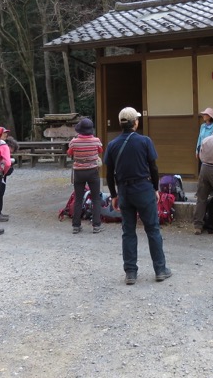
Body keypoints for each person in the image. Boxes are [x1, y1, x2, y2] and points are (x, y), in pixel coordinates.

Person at [104, 107, 172, 285]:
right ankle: (160, 269)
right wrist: (156, 188)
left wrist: (113, 195)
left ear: (120, 123)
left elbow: (109, 173)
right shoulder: (145, 141)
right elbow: (153, 168)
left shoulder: (112, 145)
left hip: (124, 191)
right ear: (135, 122)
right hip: (143, 188)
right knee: (152, 229)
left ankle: (131, 273)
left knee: (128, 232)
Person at [67, 117, 104, 234]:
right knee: (96, 198)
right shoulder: (96, 140)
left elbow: (69, 153)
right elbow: (100, 150)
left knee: (78, 198)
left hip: (79, 172)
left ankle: (76, 226)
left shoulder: (73, 142)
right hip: (93, 171)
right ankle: (96, 225)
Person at [0, 127, 18, 223]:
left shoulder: (4, 147)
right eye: (4, 133)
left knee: (1, 193)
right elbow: (6, 164)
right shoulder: (0, 147)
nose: (5, 135)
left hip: (1, 175)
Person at [195, 107, 213, 171]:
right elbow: (199, 138)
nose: (203, 116)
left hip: (209, 150)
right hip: (201, 149)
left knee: (208, 168)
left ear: (209, 116)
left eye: (205, 114)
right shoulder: (202, 126)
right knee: (201, 168)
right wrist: (196, 150)